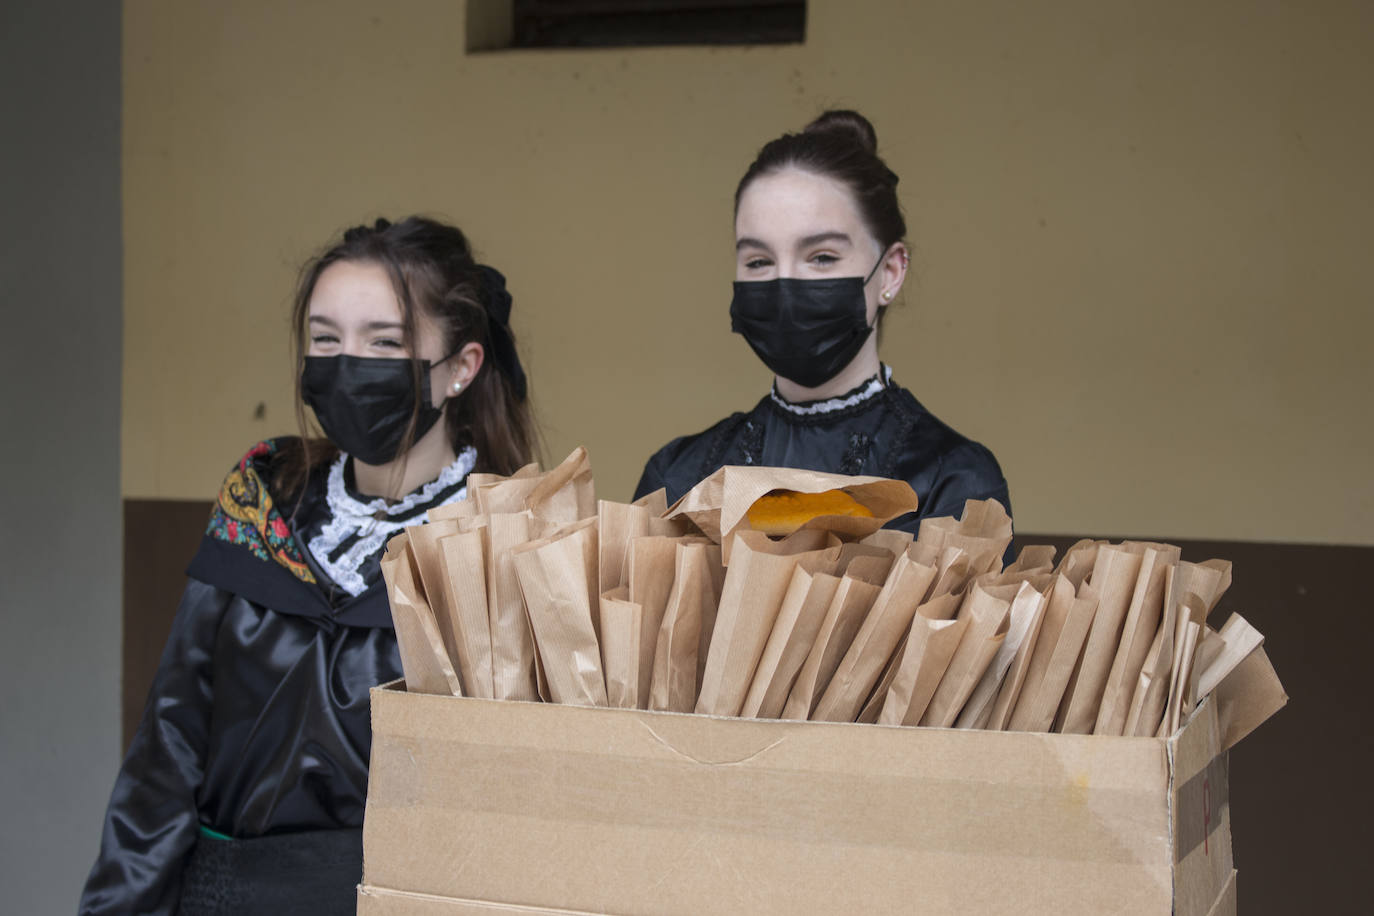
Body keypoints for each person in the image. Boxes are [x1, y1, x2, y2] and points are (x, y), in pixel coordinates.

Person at [80, 216, 538, 915]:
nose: (348, 362)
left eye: (384, 342)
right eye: (326, 339)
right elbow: (167, 751)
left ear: (462, 368)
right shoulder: (260, 506)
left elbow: (529, 805)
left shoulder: (507, 546)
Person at [635, 110, 1011, 531]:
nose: (786, 285)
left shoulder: (954, 483)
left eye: (822, 258)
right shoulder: (676, 476)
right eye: (759, 261)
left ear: (890, 271)